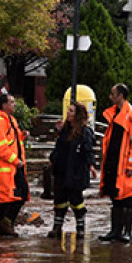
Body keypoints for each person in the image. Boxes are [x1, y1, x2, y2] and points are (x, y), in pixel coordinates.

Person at [99, 84, 132, 243]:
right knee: (116, 197)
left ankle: (126, 231)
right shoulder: (115, 113)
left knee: (127, 197)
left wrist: (131, 165)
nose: (110, 97)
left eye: (112, 94)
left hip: (125, 164)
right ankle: (115, 230)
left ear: (120, 95)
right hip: (114, 161)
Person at [46, 101, 95, 239]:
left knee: (76, 200)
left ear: (78, 115)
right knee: (60, 199)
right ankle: (57, 227)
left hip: (76, 171)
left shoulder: (85, 132)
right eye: (69, 110)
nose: (68, 113)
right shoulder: (65, 131)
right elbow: (59, 148)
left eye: (71, 111)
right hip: (62, 170)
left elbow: (88, 150)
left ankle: (80, 227)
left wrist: (91, 165)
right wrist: (53, 159)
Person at [0, 93, 29, 237]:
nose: (14, 104)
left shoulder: (10, 120)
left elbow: (9, 141)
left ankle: (2, 225)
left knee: (11, 197)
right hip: (7, 168)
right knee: (12, 196)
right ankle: (3, 224)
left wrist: (21, 136)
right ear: (4, 105)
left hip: (12, 167)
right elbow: (1, 147)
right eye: (12, 102)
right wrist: (16, 161)